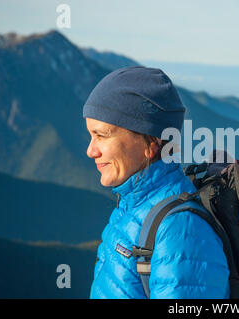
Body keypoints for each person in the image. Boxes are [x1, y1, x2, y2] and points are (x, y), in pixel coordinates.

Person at [83, 66, 230, 299]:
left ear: (151, 143)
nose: (91, 151)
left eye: (102, 135)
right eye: (91, 135)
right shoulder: (132, 206)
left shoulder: (179, 230)